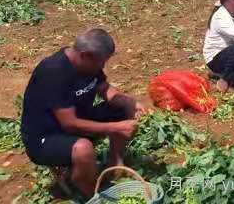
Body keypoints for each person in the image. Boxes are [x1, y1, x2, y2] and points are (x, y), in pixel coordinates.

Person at [20, 29, 145, 198]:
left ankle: (115, 163)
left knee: (123, 107)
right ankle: (93, 194)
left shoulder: (87, 65)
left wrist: (127, 101)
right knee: (83, 149)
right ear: (85, 55)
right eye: (101, 62)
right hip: (45, 138)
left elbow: (104, 88)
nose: (102, 67)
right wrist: (116, 127)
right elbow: (69, 124)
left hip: (79, 120)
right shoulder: (54, 72)